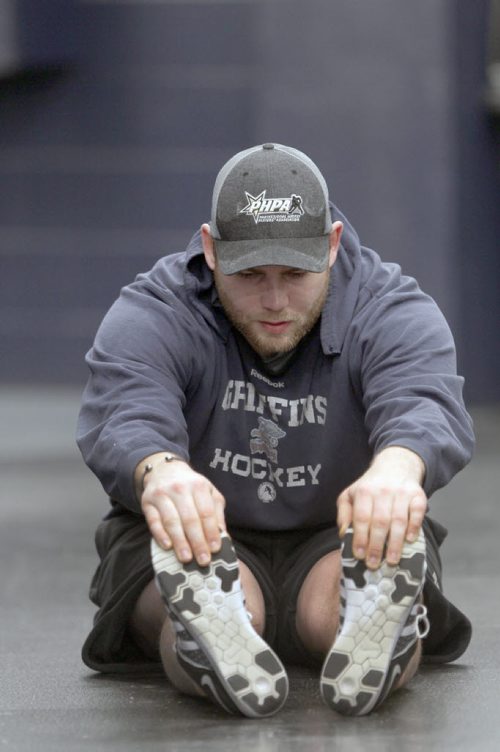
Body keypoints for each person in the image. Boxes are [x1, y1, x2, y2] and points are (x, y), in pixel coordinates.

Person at [77, 143, 474, 718]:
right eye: (250, 274)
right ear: (211, 250)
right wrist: (160, 473)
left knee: (336, 608)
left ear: (332, 245)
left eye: (294, 273)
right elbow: (125, 403)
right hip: (199, 534)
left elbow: (425, 396)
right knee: (205, 582)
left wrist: (397, 468)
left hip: (336, 533)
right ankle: (205, 634)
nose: (274, 300)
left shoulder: (387, 306)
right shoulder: (158, 310)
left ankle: (387, 623)